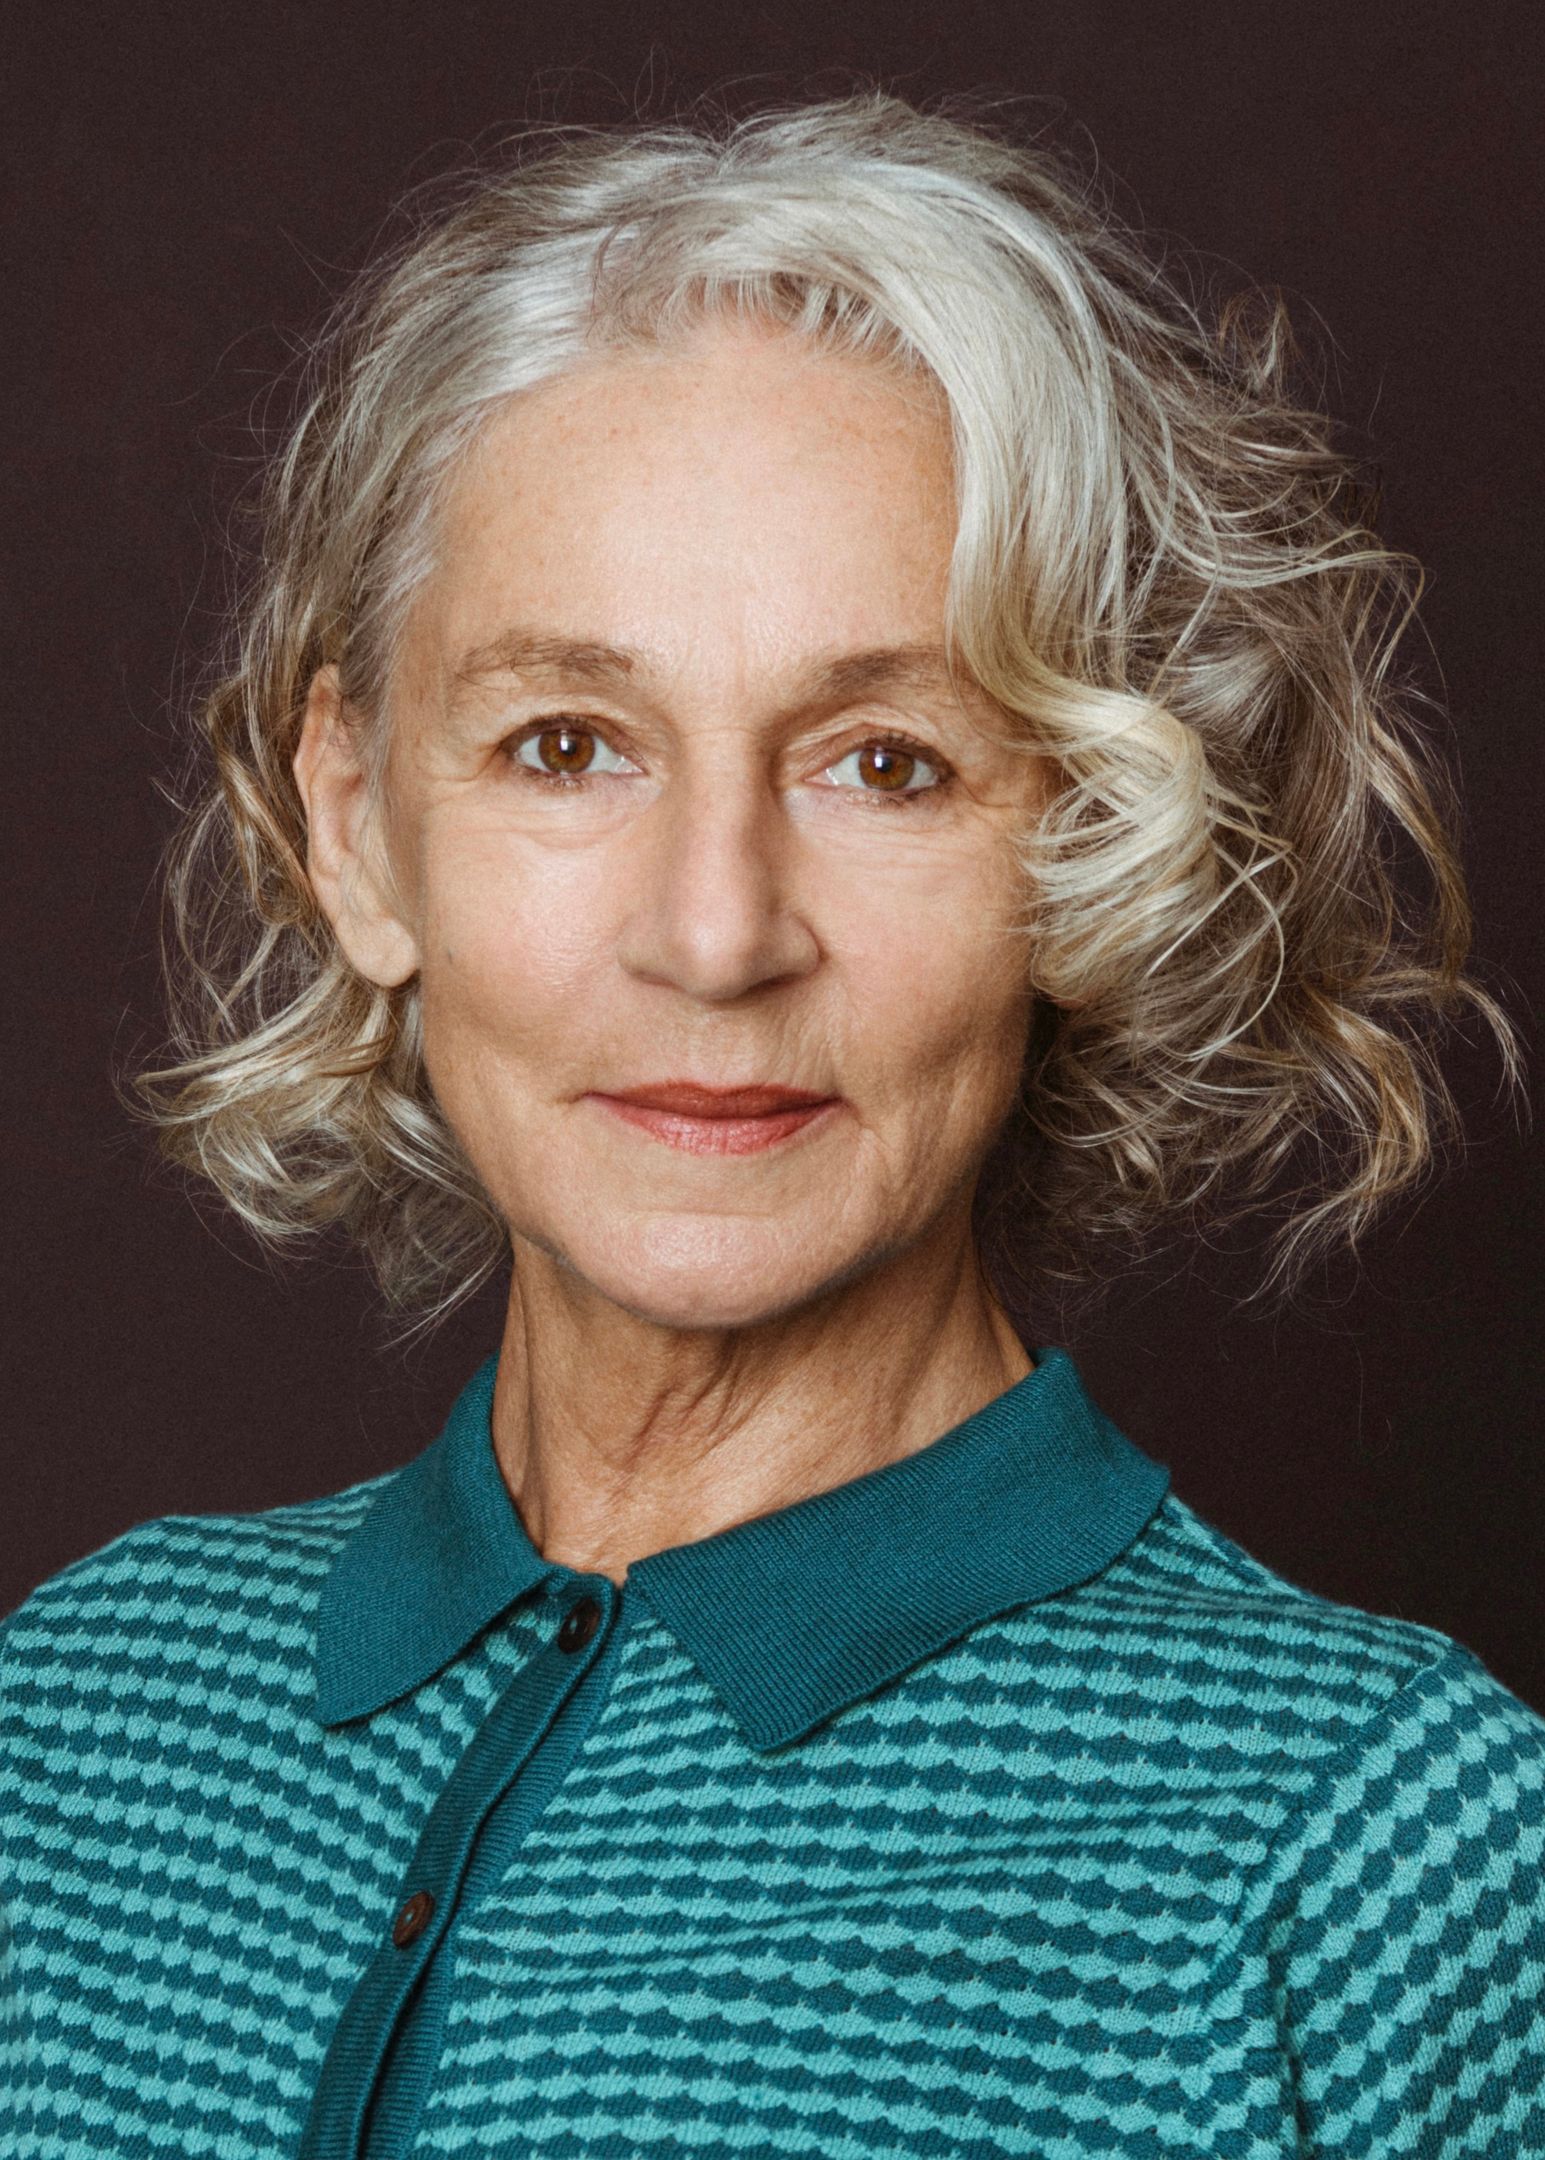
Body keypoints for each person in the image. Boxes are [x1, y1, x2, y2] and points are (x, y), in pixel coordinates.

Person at [2, 89, 1540, 2159]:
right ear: (355, 829)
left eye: (886, 762)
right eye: (566, 744)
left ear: (1091, 847)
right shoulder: (74, 1719)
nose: (715, 934)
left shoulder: (1374, 1845)